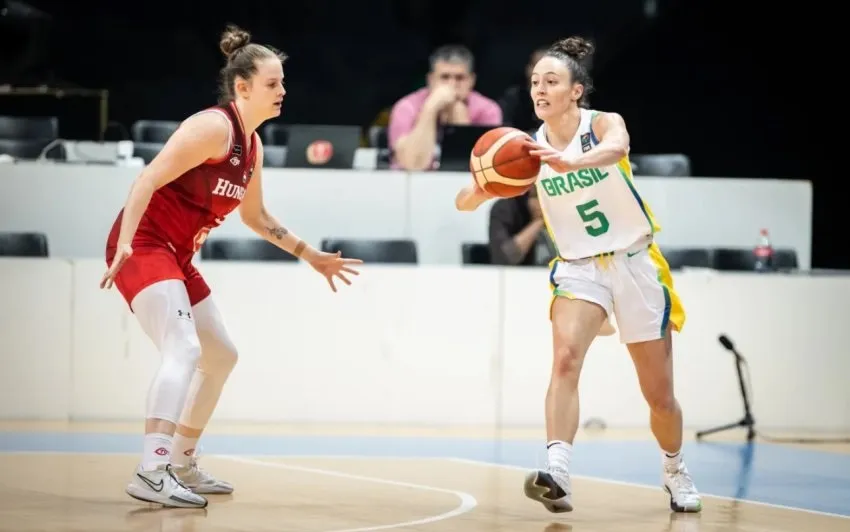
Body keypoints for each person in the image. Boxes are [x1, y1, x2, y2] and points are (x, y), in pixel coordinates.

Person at [101, 24, 362, 509]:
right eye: (273, 83)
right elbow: (147, 179)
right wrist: (123, 248)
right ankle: (151, 470)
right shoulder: (212, 128)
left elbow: (256, 217)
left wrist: (312, 256)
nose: (283, 91)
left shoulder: (253, 147)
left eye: (283, 82)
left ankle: (181, 461)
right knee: (182, 348)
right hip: (143, 244)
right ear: (242, 87)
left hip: (175, 255)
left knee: (221, 356)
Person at [454, 36, 701, 514]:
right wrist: (484, 186)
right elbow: (462, 201)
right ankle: (559, 472)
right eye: (534, 83)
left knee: (660, 398)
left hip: (634, 264)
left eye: (551, 81)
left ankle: (674, 467)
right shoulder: (525, 152)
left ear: (576, 91)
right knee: (565, 358)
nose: (540, 90)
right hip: (578, 268)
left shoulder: (602, 123)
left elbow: (617, 148)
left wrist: (575, 160)